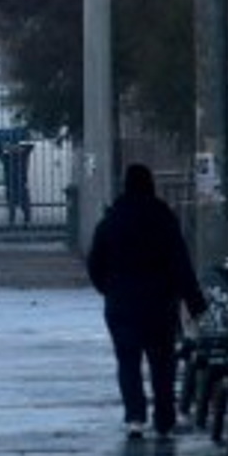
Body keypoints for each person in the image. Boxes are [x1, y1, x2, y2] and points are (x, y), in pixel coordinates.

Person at [85, 163, 209, 438]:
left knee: (127, 360)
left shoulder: (111, 221)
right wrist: (195, 302)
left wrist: (109, 289)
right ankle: (164, 417)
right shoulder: (163, 218)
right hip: (159, 303)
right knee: (162, 362)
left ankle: (135, 417)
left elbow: (95, 263)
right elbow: (180, 263)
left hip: (121, 304)